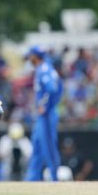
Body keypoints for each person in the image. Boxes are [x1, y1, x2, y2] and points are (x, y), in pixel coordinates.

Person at [25, 46, 63, 181]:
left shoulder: (44, 69)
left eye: (30, 55)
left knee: (49, 146)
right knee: (38, 146)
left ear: (35, 56)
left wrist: (44, 106)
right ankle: (31, 179)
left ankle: (54, 178)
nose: (29, 58)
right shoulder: (43, 68)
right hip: (43, 115)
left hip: (48, 114)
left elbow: (52, 89)